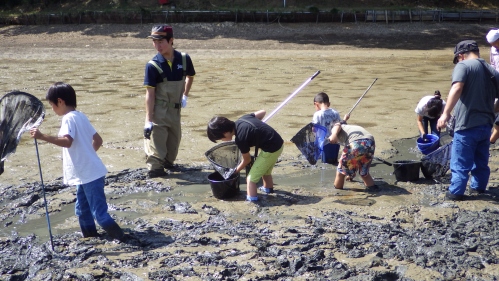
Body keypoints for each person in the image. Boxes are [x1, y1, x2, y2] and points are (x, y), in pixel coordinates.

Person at [30, 82, 124, 240]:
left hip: (90, 175)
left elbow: (67, 141)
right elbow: (98, 140)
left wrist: (42, 136)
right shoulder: (81, 115)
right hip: (86, 174)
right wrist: (87, 155)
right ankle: (90, 237)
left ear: (60, 102)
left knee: (99, 214)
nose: (52, 109)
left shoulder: (68, 119)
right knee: (81, 210)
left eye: (52, 105)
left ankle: (123, 238)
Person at [437, 40, 499, 201]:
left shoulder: (463, 66)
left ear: (461, 56)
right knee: (481, 160)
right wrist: (492, 110)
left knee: (460, 162)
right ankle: (478, 188)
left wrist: (445, 114)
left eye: (457, 59)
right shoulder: (492, 70)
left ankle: (456, 192)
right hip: (486, 124)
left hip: (467, 124)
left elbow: (457, 88)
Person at [143, 24, 196, 178]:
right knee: (156, 151)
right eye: (154, 42)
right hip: (159, 111)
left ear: (171, 40)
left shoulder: (184, 59)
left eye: (160, 42)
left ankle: (167, 165)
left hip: (175, 110)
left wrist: (185, 95)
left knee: (171, 151)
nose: (157, 46)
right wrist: (148, 120)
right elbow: (150, 94)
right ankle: (155, 172)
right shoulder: (152, 65)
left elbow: (190, 76)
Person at [207, 110, 284, 202]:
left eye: (220, 138)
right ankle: (268, 190)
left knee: (250, 179)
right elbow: (262, 112)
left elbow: (246, 160)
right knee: (265, 170)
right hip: (278, 143)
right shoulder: (243, 119)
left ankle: (252, 200)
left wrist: (235, 171)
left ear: (225, 133)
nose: (222, 140)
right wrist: (257, 126)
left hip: (271, 150)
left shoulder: (240, 139)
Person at [328, 115, 377, 190]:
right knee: (364, 173)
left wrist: (333, 135)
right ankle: (373, 189)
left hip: (356, 143)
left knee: (340, 170)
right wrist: (350, 175)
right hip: (370, 143)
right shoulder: (348, 129)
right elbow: (355, 159)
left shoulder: (335, 126)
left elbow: (337, 125)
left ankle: (338, 190)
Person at [312, 92, 341, 164]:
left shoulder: (317, 114)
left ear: (316, 104)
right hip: (336, 142)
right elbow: (339, 125)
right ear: (329, 103)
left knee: (325, 162)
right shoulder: (335, 112)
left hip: (324, 143)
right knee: (334, 160)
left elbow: (314, 129)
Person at [486, 29, 499, 144]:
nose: (494, 46)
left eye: (495, 43)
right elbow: (493, 64)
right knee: (494, 107)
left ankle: (491, 139)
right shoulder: (493, 49)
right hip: (497, 80)